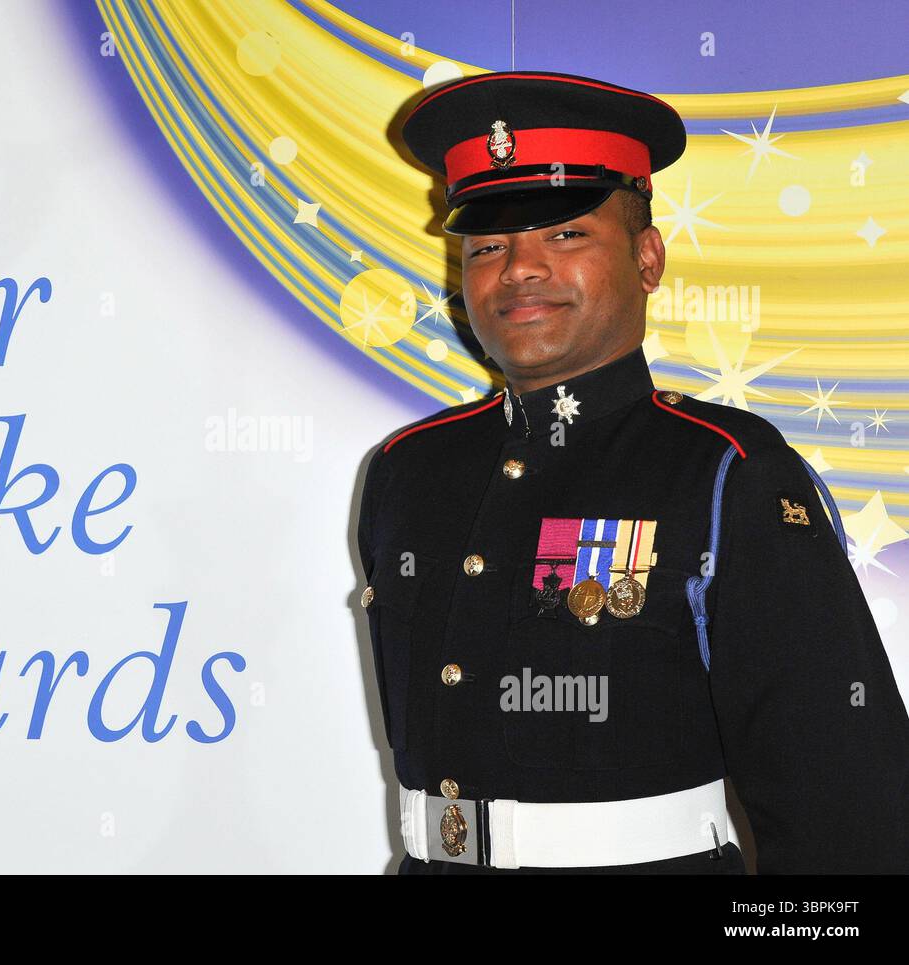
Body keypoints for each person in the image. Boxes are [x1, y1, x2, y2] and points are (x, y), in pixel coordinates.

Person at [357, 69, 909, 874]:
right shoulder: (408, 472)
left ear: (647, 258)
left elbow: (847, 806)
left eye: (566, 235)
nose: (519, 270)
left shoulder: (727, 470)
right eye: (487, 246)